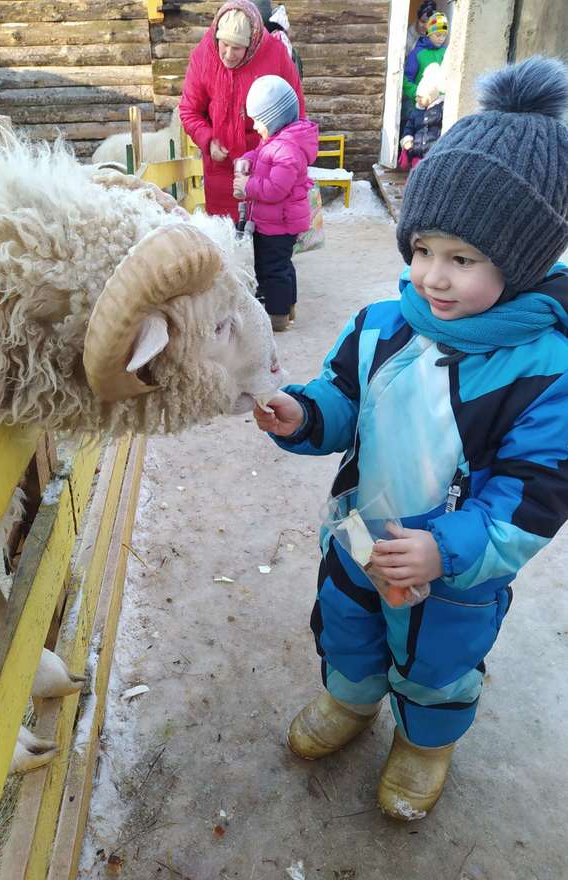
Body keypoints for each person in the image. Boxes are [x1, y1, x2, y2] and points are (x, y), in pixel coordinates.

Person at [253, 56, 568, 820]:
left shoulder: (545, 367)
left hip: (453, 572)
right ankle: (352, 702)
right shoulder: (382, 325)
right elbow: (341, 398)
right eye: (423, 248)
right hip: (360, 534)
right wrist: (305, 414)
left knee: (439, 664)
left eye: (463, 259)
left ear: (522, 263)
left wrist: (448, 550)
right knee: (350, 626)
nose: (432, 276)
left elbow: (535, 494)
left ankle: (425, 745)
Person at [179, 0, 304, 222]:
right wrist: (208, 140)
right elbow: (190, 111)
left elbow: (296, 114)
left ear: (252, 42)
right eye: (223, 44)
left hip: (266, 170)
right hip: (221, 170)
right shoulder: (203, 57)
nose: (227, 54)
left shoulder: (275, 56)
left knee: (267, 243)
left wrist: (284, 158)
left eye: (236, 48)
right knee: (225, 240)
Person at [232, 75, 318, 331]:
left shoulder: (287, 149)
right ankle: (287, 306)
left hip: (278, 224)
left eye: (258, 120)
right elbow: (260, 155)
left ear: (275, 118)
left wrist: (247, 186)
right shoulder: (277, 141)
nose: (256, 127)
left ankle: (277, 316)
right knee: (281, 265)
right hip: (274, 220)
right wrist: (247, 159)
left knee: (273, 269)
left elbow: (276, 189)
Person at [401, 11, 448, 123]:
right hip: (419, 105)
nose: (441, 38)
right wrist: (417, 94)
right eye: (438, 35)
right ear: (429, 33)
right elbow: (405, 79)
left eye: (444, 35)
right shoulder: (417, 53)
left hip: (439, 106)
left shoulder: (445, 52)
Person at [398, 62, 444, 171]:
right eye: (417, 96)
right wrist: (407, 139)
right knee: (415, 171)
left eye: (421, 97)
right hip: (416, 151)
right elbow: (409, 127)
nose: (417, 99)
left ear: (431, 98)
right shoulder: (416, 111)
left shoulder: (439, 111)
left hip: (431, 151)